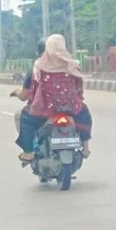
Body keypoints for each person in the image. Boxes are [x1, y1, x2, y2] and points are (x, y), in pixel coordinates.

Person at [17, 33, 93, 162]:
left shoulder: (38, 67)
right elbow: (79, 88)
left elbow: (33, 89)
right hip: (70, 108)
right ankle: (86, 148)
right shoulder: (72, 65)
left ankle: (28, 153)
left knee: (25, 119)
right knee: (85, 116)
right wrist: (77, 100)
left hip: (45, 110)